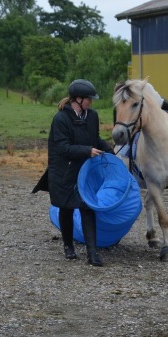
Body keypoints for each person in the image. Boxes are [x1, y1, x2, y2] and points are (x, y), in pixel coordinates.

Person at [46, 79, 113, 266]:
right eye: (88, 99)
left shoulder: (92, 116)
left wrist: (110, 151)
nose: (91, 102)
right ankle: (68, 246)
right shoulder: (60, 119)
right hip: (65, 171)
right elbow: (63, 148)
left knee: (87, 206)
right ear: (77, 99)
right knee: (66, 208)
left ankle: (92, 254)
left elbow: (95, 139)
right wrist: (87, 151)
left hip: (85, 171)